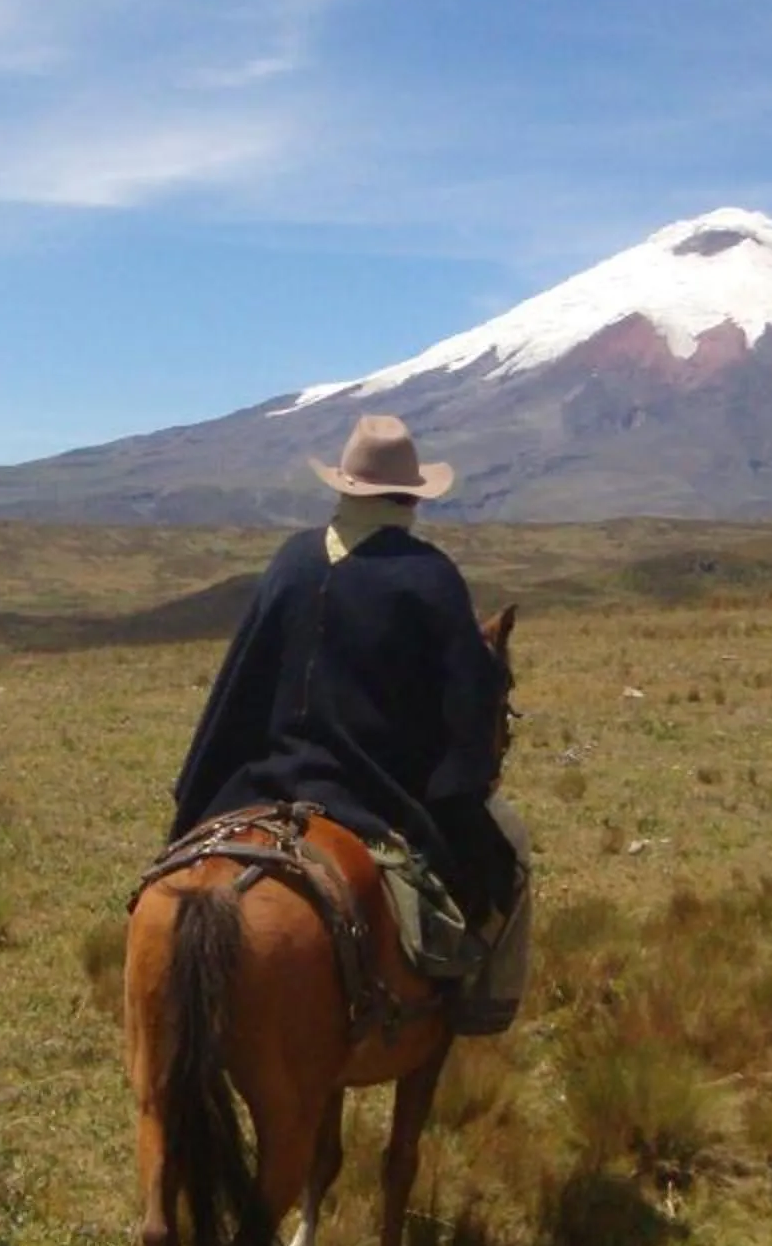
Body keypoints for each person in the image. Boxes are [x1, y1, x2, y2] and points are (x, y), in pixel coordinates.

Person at [171, 414, 529, 1024]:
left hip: (257, 783)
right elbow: (468, 706)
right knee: (510, 848)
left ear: (344, 486)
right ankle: (479, 1005)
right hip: (373, 797)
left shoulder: (291, 561)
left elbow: (241, 683)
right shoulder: (428, 575)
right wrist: (454, 786)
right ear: (412, 495)